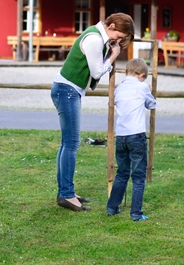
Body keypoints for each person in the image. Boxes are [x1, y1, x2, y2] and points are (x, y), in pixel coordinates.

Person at [51, 12, 134, 212]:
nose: (119, 41)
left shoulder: (97, 36)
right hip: (67, 91)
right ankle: (67, 195)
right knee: (71, 144)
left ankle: (65, 191)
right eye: (120, 36)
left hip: (68, 90)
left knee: (67, 144)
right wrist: (113, 55)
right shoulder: (95, 39)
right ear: (112, 25)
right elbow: (97, 71)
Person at [106, 57, 156, 221]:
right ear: (141, 75)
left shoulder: (119, 89)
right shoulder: (142, 87)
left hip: (121, 136)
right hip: (136, 135)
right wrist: (149, 90)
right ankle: (136, 213)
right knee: (139, 175)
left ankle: (112, 207)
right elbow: (151, 104)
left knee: (122, 173)